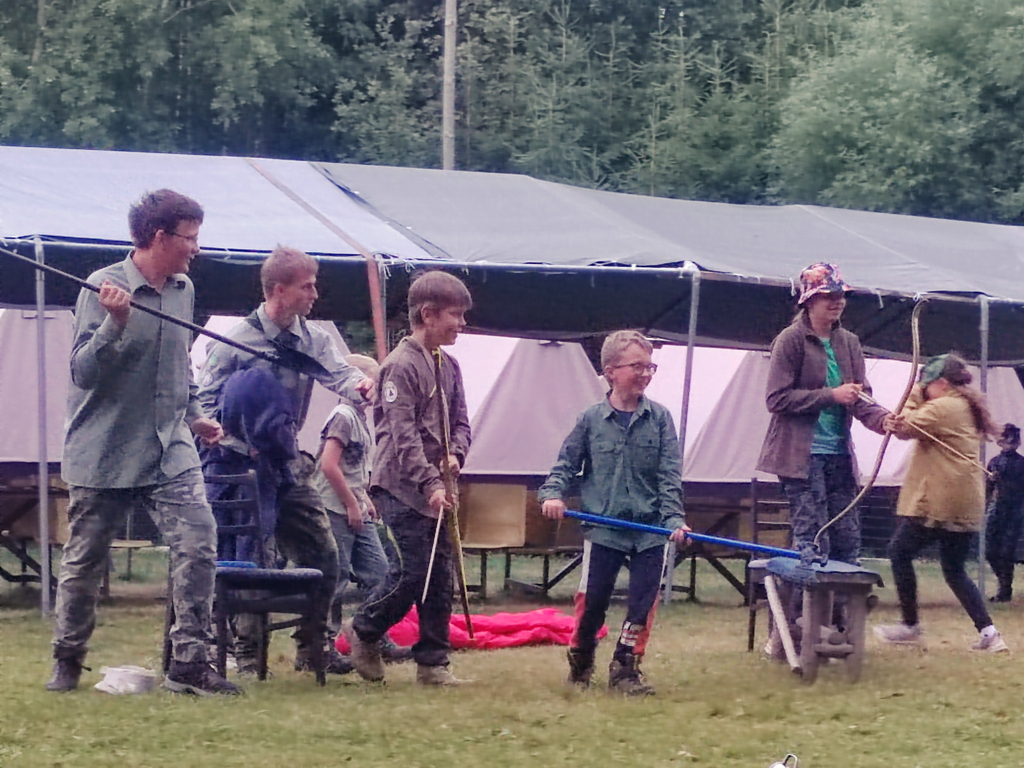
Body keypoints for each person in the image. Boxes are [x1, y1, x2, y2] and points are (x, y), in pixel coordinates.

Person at [48, 189, 240, 696]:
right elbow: (82, 373)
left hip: (168, 445)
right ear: (160, 236)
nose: (196, 248)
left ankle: (188, 663)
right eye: (190, 237)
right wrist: (114, 324)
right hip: (105, 448)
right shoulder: (102, 287)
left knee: (198, 543)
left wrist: (195, 414)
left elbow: (179, 362)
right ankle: (68, 658)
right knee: (85, 562)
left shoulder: (183, 289)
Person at [197, 245, 373, 677]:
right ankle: (247, 653)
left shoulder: (314, 339)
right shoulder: (234, 342)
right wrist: (222, 431)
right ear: (279, 289)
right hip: (240, 466)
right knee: (253, 560)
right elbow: (204, 399)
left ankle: (313, 647)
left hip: (289, 464)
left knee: (325, 553)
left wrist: (363, 385)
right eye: (306, 287)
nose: (314, 294)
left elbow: (340, 373)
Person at [538, 330, 690, 696]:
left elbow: (670, 476)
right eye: (637, 366)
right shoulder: (590, 420)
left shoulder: (660, 419)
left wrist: (673, 520)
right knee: (593, 603)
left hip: (651, 529)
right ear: (610, 371)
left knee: (642, 604)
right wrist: (552, 494)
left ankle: (626, 668)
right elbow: (565, 466)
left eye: (650, 367)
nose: (645, 374)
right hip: (604, 528)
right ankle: (581, 659)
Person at [344, 271, 472, 687]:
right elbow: (403, 437)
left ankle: (433, 663)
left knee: (439, 577)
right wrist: (430, 483)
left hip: (438, 489)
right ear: (428, 314)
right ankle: (364, 628)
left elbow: (461, 422)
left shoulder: (449, 365)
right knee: (413, 571)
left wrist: (455, 454)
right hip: (400, 487)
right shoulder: (399, 366)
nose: (462, 324)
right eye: (455, 315)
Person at [756, 263, 888, 574]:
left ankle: (843, 605)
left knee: (848, 540)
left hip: (839, 455)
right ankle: (803, 604)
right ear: (809, 300)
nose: (837, 301)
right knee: (813, 541)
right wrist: (831, 395)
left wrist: (884, 420)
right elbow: (777, 399)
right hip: (800, 458)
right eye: (829, 295)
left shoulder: (849, 342)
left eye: (841, 295)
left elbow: (860, 397)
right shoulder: (790, 340)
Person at [874, 354, 1010, 652]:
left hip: (940, 500)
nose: (925, 390)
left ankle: (910, 625)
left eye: (928, 384)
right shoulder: (964, 405)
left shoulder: (944, 407)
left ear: (943, 383)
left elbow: (903, 427)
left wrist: (913, 393)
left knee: (899, 551)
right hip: (964, 500)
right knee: (954, 569)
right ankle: (989, 633)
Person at [312, 353, 412, 662]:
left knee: (379, 572)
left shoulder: (359, 419)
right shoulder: (342, 417)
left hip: (355, 505)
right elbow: (329, 465)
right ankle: (321, 646)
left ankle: (372, 636)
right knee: (336, 576)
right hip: (335, 507)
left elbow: (352, 467)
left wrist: (364, 499)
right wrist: (350, 504)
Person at [984, 423, 1024, 602]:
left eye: (1014, 439)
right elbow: (988, 489)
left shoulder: (1022, 464)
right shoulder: (994, 462)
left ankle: (1005, 589)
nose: (1011, 443)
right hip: (997, 509)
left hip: (1016, 510)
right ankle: (1003, 583)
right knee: (990, 550)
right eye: (1008, 439)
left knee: (1007, 552)